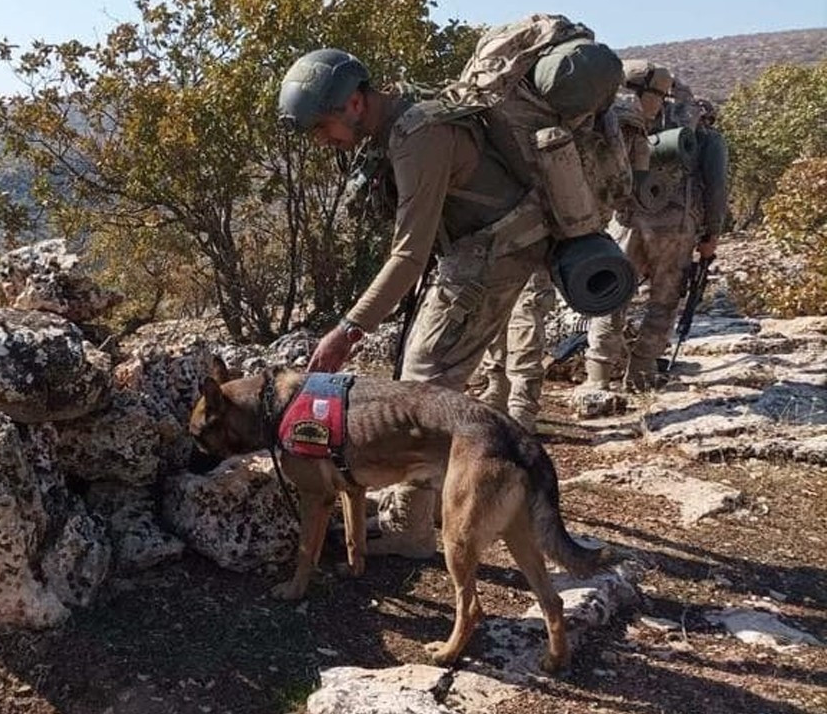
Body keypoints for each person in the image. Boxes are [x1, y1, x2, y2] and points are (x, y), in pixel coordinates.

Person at [279, 48, 553, 557]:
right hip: (483, 247)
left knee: (425, 381)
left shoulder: (417, 136)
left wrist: (347, 330)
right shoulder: (403, 115)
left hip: (493, 252)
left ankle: (411, 530)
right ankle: (467, 499)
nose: (322, 141)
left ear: (356, 103)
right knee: (429, 372)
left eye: (322, 127)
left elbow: (407, 256)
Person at [580, 63, 728, 391]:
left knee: (612, 294)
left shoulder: (627, 118)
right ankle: (641, 372)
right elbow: (717, 188)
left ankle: (598, 378)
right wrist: (712, 235)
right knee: (663, 299)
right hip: (677, 226)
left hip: (628, 220)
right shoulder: (704, 136)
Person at [475, 270, 556, 433]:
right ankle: (499, 390)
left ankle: (522, 405)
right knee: (493, 306)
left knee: (526, 310)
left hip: (532, 252)